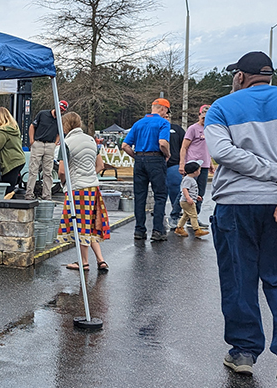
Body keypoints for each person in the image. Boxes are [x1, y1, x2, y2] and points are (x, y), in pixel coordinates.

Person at [206, 51, 277, 385]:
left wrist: (269, 172)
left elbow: (222, 152)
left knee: (239, 276)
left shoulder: (222, 108)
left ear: (240, 76)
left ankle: (243, 352)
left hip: (236, 204)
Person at [56, 112, 110, 272]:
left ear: (65, 125)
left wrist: (64, 182)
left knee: (81, 226)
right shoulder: (91, 140)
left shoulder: (66, 143)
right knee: (91, 225)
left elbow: (62, 171)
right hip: (93, 187)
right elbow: (100, 166)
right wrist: (89, 175)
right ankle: (101, 260)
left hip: (77, 189)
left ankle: (84, 262)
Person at [121, 99, 171, 241]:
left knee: (140, 195)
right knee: (160, 195)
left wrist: (136, 157)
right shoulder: (163, 123)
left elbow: (125, 145)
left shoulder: (138, 124)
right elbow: (162, 143)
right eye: (166, 111)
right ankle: (157, 230)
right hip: (155, 159)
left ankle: (139, 230)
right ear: (162, 109)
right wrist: (167, 154)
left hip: (140, 159)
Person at [26, 100, 67, 200]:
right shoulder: (43, 114)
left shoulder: (60, 120)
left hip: (50, 145)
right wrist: (32, 140)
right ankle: (29, 194)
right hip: (38, 143)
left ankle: (47, 194)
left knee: (48, 171)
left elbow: (60, 133)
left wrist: (55, 143)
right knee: (33, 170)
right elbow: (32, 126)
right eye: (60, 109)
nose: (60, 112)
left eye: (62, 111)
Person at [180, 104, 212, 219]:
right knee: (187, 191)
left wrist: (211, 164)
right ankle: (175, 215)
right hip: (192, 165)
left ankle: (194, 218)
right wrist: (182, 164)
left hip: (204, 165)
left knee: (200, 193)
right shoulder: (193, 129)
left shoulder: (210, 129)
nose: (204, 119)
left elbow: (207, 148)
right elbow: (184, 147)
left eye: (207, 117)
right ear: (199, 116)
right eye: (203, 117)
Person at [0, 107, 26, 199]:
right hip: (19, 159)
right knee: (11, 185)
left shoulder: (1, 130)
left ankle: (8, 207)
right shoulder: (14, 128)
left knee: (7, 187)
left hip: (10, 161)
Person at [164, 106, 187, 227]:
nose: (166, 118)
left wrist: (183, 162)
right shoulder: (154, 128)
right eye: (164, 116)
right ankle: (159, 214)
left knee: (175, 188)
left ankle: (176, 213)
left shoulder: (177, 129)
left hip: (174, 164)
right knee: (161, 191)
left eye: (167, 116)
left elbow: (185, 146)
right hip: (158, 164)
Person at [172, 161, 208, 239]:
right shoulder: (188, 179)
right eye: (199, 170)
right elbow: (184, 189)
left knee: (185, 216)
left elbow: (191, 190)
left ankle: (179, 228)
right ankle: (197, 230)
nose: (200, 172)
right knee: (193, 215)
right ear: (195, 172)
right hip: (187, 201)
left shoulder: (190, 179)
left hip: (188, 200)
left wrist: (196, 196)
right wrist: (188, 198)